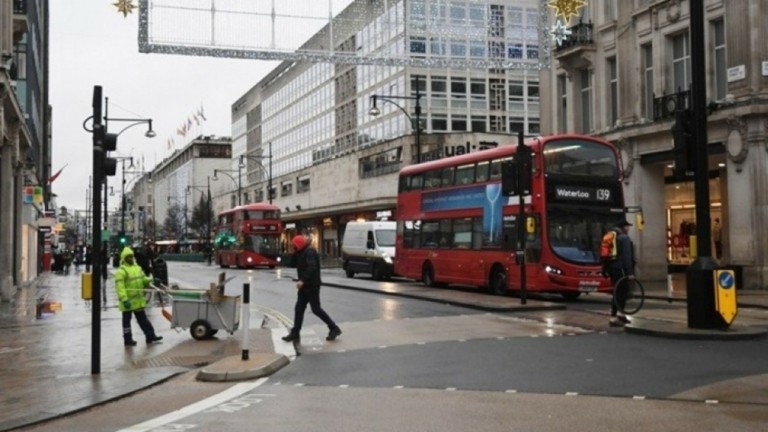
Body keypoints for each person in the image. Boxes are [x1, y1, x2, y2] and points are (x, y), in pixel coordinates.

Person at [282, 234, 342, 343]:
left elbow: (312, 267)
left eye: (293, 245)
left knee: (316, 309)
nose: (292, 247)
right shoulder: (300, 253)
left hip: (312, 285)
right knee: (299, 309)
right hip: (305, 286)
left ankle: (333, 328)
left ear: (298, 245)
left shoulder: (310, 252)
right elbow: (291, 264)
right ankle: (295, 333)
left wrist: (302, 280)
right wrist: (293, 254)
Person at [115, 247, 163, 346]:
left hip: (138, 300)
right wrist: (124, 299)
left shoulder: (137, 268)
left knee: (143, 320)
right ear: (124, 258)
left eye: (131, 256)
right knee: (126, 323)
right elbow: (120, 288)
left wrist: (152, 280)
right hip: (128, 301)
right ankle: (128, 339)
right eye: (128, 257)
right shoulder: (121, 271)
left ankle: (150, 336)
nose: (130, 258)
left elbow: (143, 279)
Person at [604, 220, 635, 326]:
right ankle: (613, 317)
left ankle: (620, 314)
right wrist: (630, 272)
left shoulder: (610, 236)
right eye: (627, 226)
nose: (628, 228)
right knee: (621, 292)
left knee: (619, 291)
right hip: (621, 268)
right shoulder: (624, 238)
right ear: (623, 227)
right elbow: (627, 256)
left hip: (612, 268)